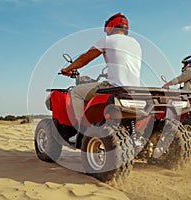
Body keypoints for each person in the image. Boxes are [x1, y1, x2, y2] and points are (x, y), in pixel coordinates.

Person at [60, 13, 142, 143]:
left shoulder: (107, 40)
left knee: (75, 92)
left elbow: (85, 59)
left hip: (114, 87)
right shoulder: (135, 43)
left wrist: (67, 69)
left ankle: (81, 131)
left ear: (110, 26)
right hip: (134, 89)